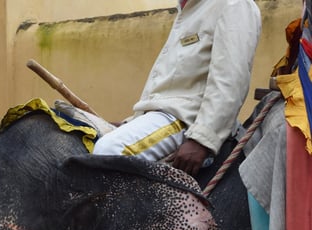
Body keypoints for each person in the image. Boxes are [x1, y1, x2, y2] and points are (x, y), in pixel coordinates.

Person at [92, 0, 262, 177]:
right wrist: (132, 123)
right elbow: (172, 89)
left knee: (109, 150)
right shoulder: (186, 10)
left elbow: (231, 80)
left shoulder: (233, 4)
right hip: (166, 118)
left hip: (187, 120)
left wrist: (202, 139)